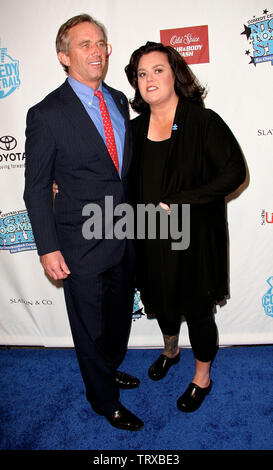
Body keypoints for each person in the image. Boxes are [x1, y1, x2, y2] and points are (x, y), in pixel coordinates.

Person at [24, 14, 144, 431]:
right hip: (80, 242)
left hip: (124, 234)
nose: (97, 51)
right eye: (84, 45)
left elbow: (119, 171)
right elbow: (36, 188)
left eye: (100, 43)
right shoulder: (46, 114)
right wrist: (47, 246)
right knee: (90, 327)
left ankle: (107, 370)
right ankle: (103, 400)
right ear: (63, 56)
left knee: (117, 319)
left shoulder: (118, 99)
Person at [125, 41, 246, 412]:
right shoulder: (133, 128)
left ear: (175, 74)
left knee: (196, 310)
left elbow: (234, 172)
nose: (149, 79)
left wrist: (181, 200)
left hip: (193, 240)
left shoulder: (202, 121)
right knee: (161, 302)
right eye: (142, 74)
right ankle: (171, 351)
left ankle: (202, 377)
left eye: (157, 70)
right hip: (150, 237)